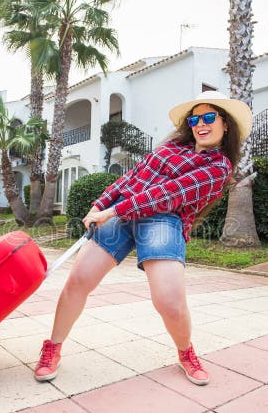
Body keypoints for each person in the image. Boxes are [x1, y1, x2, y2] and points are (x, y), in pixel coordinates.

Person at [35, 90, 252, 385]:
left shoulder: (218, 167)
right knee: (77, 282)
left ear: (225, 124)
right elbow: (132, 177)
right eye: (195, 118)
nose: (201, 123)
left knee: (169, 302)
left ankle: (186, 352)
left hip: (163, 219)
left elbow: (168, 194)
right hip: (121, 214)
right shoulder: (171, 148)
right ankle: (53, 348)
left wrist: (112, 211)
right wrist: (100, 204)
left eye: (210, 117)